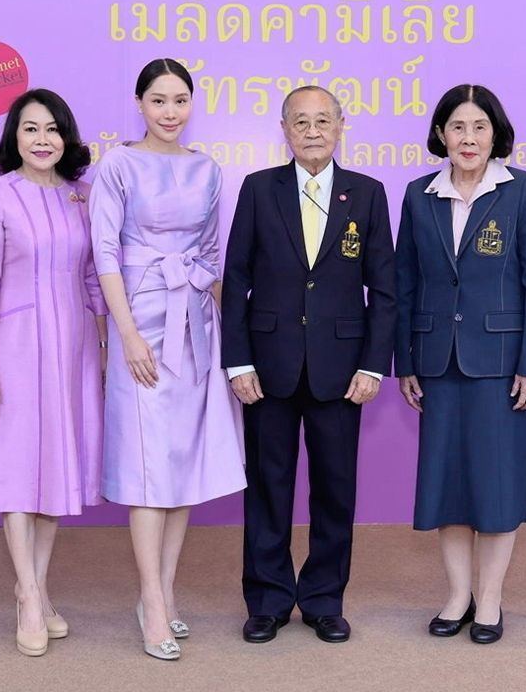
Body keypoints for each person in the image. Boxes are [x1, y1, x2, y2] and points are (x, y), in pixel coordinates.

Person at [222, 85, 395, 645]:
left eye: (324, 120)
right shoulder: (257, 188)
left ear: (342, 126)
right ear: (284, 128)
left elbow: (385, 290)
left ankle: (323, 598)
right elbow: (237, 280)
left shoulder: (367, 194)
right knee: (268, 487)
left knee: (335, 489)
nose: (313, 130)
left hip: (341, 370)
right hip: (268, 367)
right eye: (302, 121)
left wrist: (372, 366)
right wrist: (237, 360)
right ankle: (268, 599)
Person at [0, 89, 108, 658]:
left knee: (55, 473)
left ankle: (32, 586)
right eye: (31, 129)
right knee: (19, 471)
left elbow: (93, 280)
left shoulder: (81, 198)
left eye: (52, 130)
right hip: (12, 345)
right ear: (14, 137)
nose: (42, 140)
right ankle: (31, 598)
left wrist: (104, 346)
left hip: (73, 347)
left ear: (67, 138)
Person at [89, 58, 246, 661]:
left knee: (180, 466)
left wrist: (232, 336)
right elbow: (104, 252)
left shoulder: (208, 168)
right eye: (159, 100)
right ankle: (150, 600)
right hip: (141, 322)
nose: (171, 112)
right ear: (139, 103)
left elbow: (210, 254)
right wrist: (124, 335)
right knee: (147, 469)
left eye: (181, 100)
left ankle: (164, 592)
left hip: (195, 326)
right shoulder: (119, 164)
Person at [393, 84, 526, 645]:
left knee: (497, 485)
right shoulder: (418, 194)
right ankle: (457, 594)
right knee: (448, 484)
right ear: (441, 134)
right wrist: (405, 359)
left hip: (502, 364)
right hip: (437, 361)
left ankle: (490, 598)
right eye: (457, 127)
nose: (468, 138)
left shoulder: (522, 191)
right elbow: (404, 281)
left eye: (479, 127)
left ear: (495, 134)